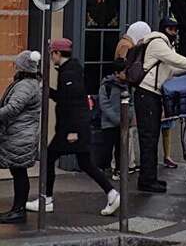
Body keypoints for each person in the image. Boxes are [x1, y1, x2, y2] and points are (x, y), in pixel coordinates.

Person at [26, 39, 120, 216]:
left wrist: (72, 131)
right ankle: (112, 194)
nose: (51, 57)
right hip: (77, 126)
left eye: (51, 53)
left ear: (57, 54)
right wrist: (45, 88)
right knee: (86, 163)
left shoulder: (68, 74)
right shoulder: (71, 70)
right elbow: (64, 97)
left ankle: (46, 199)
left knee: (48, 157)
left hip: (72, 128)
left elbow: (74, 103)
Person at [134, 18, 186, 193]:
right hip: (147, 95)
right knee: (148, 139)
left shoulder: (165, 44)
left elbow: (172, 69)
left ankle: (150, 178)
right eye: (171, 29)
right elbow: (175, 60)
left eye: (175, 29)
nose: (174, 32)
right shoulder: (158, 43)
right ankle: (146, 181)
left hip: (152, 95)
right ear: (164, 29)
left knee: (152, 138)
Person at [0, 50, 41, 224]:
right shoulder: (28, 83)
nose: (14, 66)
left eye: (17, 64)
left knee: (19, 171)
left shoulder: (25, 85)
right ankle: (18, 209)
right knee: (19, 171)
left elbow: (13, 108)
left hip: (19, 135)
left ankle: (18, 211)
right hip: (20, 134)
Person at [114, 20, 150, 173]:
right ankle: (126, 164)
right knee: (128, 130)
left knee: (129, 130)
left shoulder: (125, 43)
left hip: (124, 90)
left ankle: (130, 162)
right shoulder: (127, 46)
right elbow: (122, 70)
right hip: (124, 90)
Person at [98, 58, 132, 180]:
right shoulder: (106, 86)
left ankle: (119, 169)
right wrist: (118, 119)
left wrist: (128, 117)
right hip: (109, 123)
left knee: (120, 149)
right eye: (124, 72)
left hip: (122, 123)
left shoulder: (127, 86)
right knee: (107, 147)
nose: (126, 75)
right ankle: (104, 168)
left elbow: (130, 103)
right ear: (117, 73)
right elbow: (104, 105)